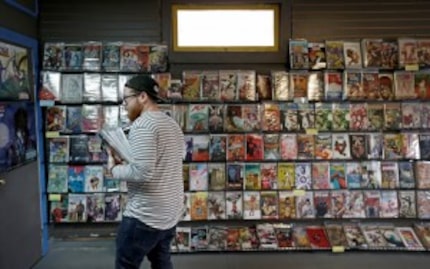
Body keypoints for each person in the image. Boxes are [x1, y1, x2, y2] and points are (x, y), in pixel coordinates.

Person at [107, 75, 184, 269]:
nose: (124, 105)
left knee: (126, 265)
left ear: (142, 97)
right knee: (162, 262)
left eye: (126, 99)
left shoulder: (142, 125)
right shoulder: (171, 124)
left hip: (145, 215)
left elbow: (142, 173)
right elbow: (167, 163)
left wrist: (114, 169)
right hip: (169, 214)